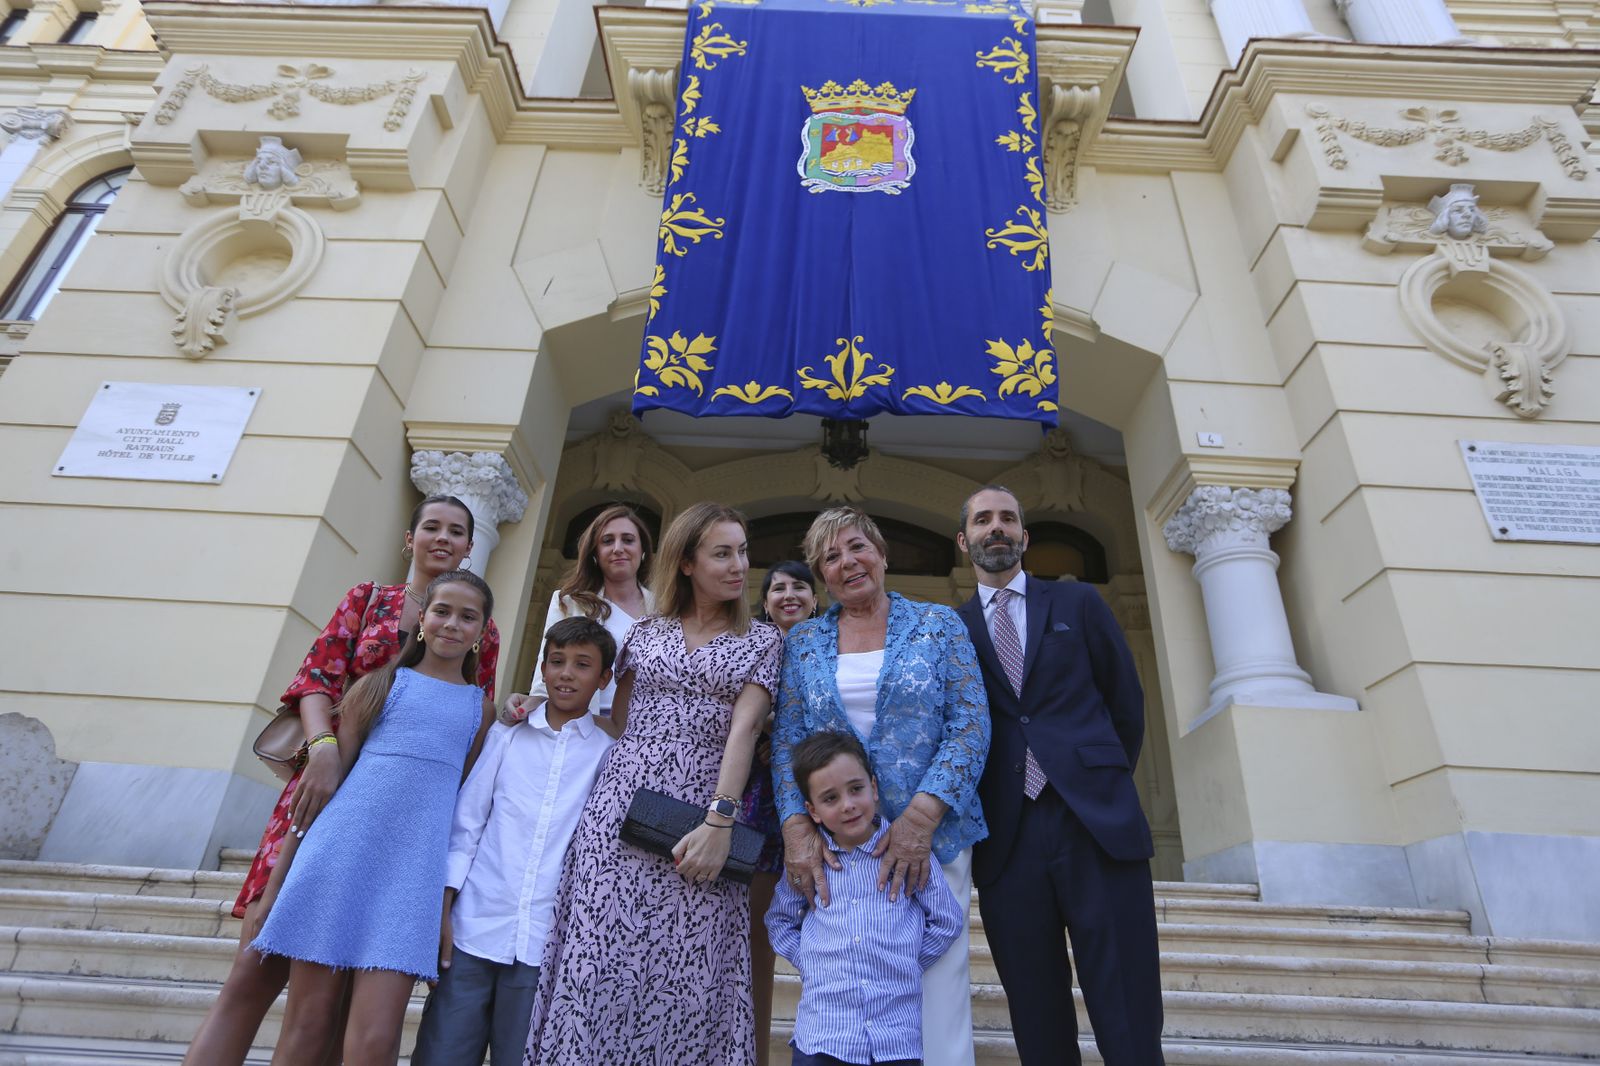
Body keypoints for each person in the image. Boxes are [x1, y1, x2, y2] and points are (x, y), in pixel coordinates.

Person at [184, 494, 500, 1066]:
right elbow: (314, 681)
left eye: (456, 531)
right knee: (253, 979)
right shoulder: (368, 599)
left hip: (406, 839)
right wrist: (324, 749)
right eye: (431, 526)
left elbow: (470, 734)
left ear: (470, 547)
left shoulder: (480, 652)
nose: (442, 538)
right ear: (410, 537)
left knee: (356, 1022)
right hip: (324, 794)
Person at [525, 502, 784, 1066]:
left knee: (690, 976)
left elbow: (744, 731)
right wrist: (538, 708)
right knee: (597, 964)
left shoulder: (762, 641)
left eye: (742, 551)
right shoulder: (647, 631)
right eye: (722, 552)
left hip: (701, 822)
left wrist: (720, 822)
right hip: (618, 812)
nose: (739, 564)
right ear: (687, 562)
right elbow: (616, 722)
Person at [772, 506, 990, 1066]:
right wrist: (799, 828)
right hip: (840, 847)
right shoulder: (803, 645)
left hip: (931, 841)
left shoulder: (940, 625)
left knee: (937, 989)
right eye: (831, 557)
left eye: (857, 547)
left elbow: (970, 723)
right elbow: (787, 743)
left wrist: (919, 818)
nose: (848, 563)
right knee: (846, 988)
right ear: (822, 576)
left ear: (882, 554)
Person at [954, 485, 1163, 1065]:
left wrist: (1097, 781)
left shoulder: (1079, 605)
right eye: (983, 520)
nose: (996, 528)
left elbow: (1126, 702)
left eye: (1007, 519)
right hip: (1007, 838)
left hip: (1096, 824)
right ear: (964, 539)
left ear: (1025, 535)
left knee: (1127, 998)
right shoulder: (950, 631)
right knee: (1036, 1006)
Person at [251, 570, 496, 1065]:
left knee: (375, 1042)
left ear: (482, 631)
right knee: (307, 1027)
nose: (452, 624)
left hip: (410, 884)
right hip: (337, 862)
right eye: (442, 611)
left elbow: (462, 805)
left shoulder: (481, 712)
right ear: (421, 620)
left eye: (467, 617)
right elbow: (324, 793)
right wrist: (277, 885)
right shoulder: (378, 687)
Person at [411, 616, 617, 1066]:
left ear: (604, 678)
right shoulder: (506, 736)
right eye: (557, 661)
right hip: (472, 930)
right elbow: (467, 827)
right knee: (443, 1053)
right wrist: (442, 912)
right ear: (542, 669)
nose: (567, 673)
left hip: (545, 941)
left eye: (583, 665)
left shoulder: (606, 756)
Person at [767, 730, 964, 1066]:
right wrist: (810, 958)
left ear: (873, 787)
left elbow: (946, 920)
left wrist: (908, 958)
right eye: (830, 799)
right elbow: (779, 919)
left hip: (895, 1039)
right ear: (812, 811)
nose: (848, 805)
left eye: (856, 789)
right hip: (823, 1036)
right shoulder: (809, 863)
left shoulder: (907, 853)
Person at [748, 560, 820, 1065]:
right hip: (756, 809)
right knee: (756, 947)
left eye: (799, 586)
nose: (789, 594)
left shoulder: (830, 647)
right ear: (765, 600)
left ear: (816, 599)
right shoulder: (752, 647)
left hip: (823, 809)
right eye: (778, 588)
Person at [521, 503, 653, 718]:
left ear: (643, 550)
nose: (618, 548)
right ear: (595, 553)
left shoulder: (666, 610)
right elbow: (545, 673)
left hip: (645, 728)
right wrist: (530, 707)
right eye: (607, 541)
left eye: (628, 540)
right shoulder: (569, 602)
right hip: (586, 724)